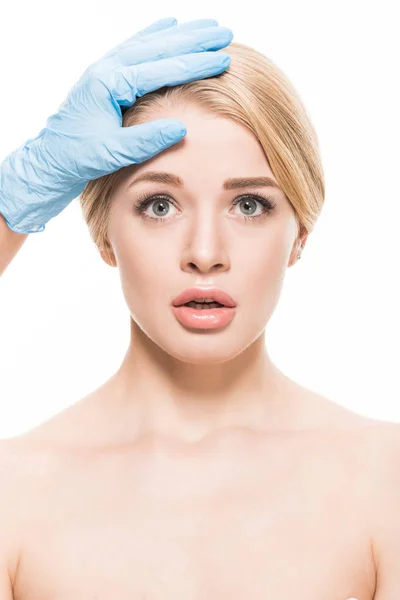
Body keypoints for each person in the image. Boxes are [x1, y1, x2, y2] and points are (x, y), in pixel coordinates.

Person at [0, 16, 398, 600]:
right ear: (104, 234)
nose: (205, 254)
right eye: (160, 205)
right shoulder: (13, 493)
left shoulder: (386, 482)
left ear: (302, 234)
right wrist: (9, 209)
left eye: (251, 205)